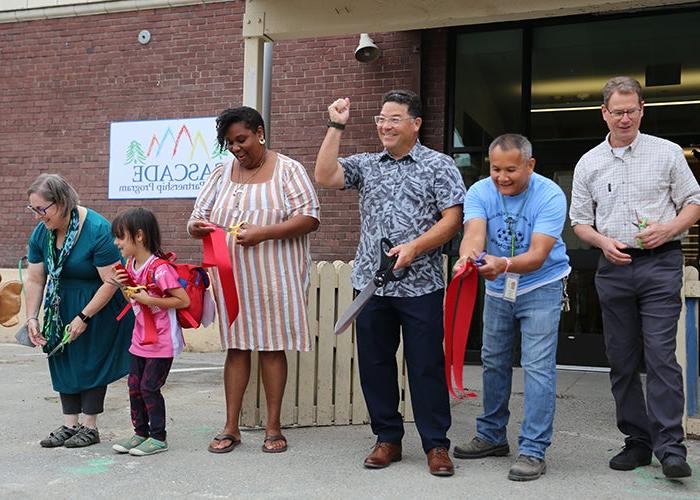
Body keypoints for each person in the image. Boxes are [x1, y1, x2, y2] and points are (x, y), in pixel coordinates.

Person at [314, 90, 465, 477]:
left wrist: (416, 246)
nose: (385, 125)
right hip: (372, 285)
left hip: (422, 286)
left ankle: (436, 445)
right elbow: (326, 175)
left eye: (394, 119)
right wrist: (336, 125)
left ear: (416, 123)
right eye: (381, 118)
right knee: (375, 365)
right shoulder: (367, 164)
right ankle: (387, 439)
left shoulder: (440, 165)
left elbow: (452, 221)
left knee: (425, 366)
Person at [570, 76, 700, 479]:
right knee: (622, 360)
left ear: (642, 110)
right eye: (617, 111)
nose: (625, 118)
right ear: (604, 113)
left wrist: (668, 228)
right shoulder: (589, 162)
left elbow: (694, 202)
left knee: (662, 358)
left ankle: (671, 448)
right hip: (614, 266)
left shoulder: (666, 154)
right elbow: (579, 222)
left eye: (632, 110)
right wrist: (601, 242)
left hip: (660, 263)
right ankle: (638, 443)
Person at [188, 106, 320, 454]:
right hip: (233, 282)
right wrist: (197, 228)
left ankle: (272, 427)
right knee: (237, 347)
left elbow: (310, 217)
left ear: (260, 132)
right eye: (230, 143)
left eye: (241, 139)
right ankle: (231, 427)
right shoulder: (220, 174)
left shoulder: (289, 170)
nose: (236, 148)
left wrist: (264, 233)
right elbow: (195, 219)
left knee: (273, 348)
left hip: (277, 277)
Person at [451, 134, 570, 481]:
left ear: (530, 165)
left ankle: (533, 449)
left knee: (537, 366)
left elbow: (536, 256)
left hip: (542, 285)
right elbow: (474, 234)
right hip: (497, 287)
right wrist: (467, 258)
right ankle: (491, 436)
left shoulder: (549, 194)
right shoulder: (479, 192)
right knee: (493, 360)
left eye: (511, 170)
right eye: (495, 169)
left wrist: (502, 264)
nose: (502, 177)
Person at [24, 173, 132, 448]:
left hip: (97, 303)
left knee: (90, 359)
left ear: (60, 203)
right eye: (33, 209)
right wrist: (32, 318)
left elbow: (112, 279)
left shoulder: (96, 229)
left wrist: (84, 316)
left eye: (41, 209)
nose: (37, 216)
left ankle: (89, 426)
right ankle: (70, 425)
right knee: (62, 357)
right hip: (59, 304)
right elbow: (36, 278)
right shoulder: (42, 233)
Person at [110, 208, 190, 456]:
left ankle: (158, 437)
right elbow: (134, 298)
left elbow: (182, 300)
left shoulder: (160, 269)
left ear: (140, 236)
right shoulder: (130, 264)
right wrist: (125, 287)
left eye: (120, 236)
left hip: (163, 340)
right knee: (134, 386)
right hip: (140, 338)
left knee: (149, 387)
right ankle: (140, 433)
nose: (116, 242)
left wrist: (148, 300)